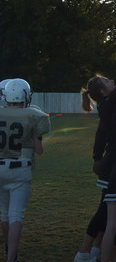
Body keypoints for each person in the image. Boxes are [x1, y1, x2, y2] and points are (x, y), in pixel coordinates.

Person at [73, 37, 116, 262]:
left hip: (111, 160)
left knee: (109, 212)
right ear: (104, 92)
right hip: (115, 163)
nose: (113, 81)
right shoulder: (111, 102)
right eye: (108, 81)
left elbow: (100, 133)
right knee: (107, 212)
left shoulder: (108, 103)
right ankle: (85, 252)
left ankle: (93, 250)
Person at [0, 78, 51, 262]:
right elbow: (38, 150)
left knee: (4, 214)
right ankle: (11, 257)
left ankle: (8, 248)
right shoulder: (33, 115)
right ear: (26, 96)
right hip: (20, 169)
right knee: (16, 215)